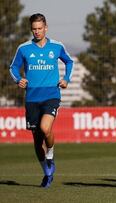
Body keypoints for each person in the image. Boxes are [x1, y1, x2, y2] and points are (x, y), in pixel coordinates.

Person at [9, 13, 73, 188]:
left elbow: (69, 62)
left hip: (51, 95)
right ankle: (47, 174)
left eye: (40, 28)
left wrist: (66, 79)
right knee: (37, 141)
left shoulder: (57, 46)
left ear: (46, 28)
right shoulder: (24, 48)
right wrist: (18, 79)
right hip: (31, 98)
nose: (37, 32)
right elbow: (13, 67)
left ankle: (51, 154)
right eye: (34, 29)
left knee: (45, 128)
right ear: (31, 29)